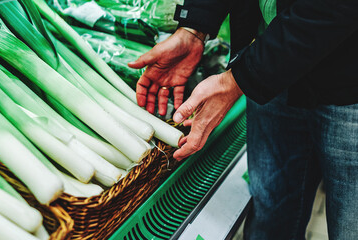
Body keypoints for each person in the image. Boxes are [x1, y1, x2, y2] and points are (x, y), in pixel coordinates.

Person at [128, 0, 358, 239]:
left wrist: (239, 79)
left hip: (350, 85)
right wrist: (194, 27)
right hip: (274, 69)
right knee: (270, 214)